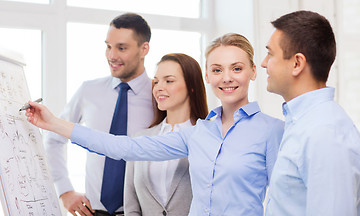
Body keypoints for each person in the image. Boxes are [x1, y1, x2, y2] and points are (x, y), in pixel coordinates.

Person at [26, 33, 284, 215]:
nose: (226, 78)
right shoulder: (199, 133)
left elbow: (284, 201)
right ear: (207, 76)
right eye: (217, 70)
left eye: (236, 68)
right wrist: (54, 123)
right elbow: (123, 148)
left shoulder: (272, 130)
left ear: (252, 71)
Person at [44, 13, 154, 216]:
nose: (112, 56)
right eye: (108, 46)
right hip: (93, 211)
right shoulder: (89, 90)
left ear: (144, 49)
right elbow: (53, 138)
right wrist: (65, 190)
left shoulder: (159, 96)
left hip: (143, 211)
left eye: (121, 48)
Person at [261, 10, 360, 215]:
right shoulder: (304, 122)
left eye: (270, 54)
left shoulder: (325, 133)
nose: (263, 63)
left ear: (297, 63)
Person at [124, 53, 208, 215]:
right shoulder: (140, 139)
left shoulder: (209, 137)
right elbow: (131, 205)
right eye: (156, 81)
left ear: (192, 86)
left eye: (169, 81)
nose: (158, 87)